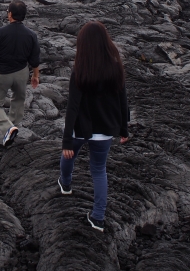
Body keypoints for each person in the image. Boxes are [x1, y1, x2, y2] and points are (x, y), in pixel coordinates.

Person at [59, 21, 130, 232]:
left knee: (68, 156)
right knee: (99, 171)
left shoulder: (80, 70)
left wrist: (66, 140)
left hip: (80, 128)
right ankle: (98, 217)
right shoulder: (116, 67)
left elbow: (72, 107)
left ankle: (66, 183)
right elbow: (122, 101)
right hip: (105, 130)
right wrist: (123, 129)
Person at [0, 0, 40, 147]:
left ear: (10, 14)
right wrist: (36, 76)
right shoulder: (31, 35)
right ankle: (12, 128)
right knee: (18, 101)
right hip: (22, 72)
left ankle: (8, 129)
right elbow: (35, 59)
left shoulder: (0, 32)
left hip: (3, 74)